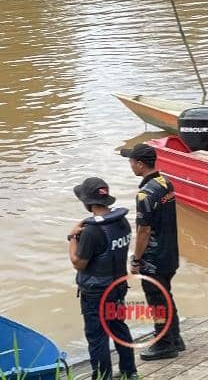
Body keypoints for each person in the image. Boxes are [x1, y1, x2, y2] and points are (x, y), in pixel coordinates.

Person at [68, 177, 138, 380]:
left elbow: (77, 263)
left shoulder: (91, 231)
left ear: (87, 202)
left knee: (97, 336)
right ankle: (129, 371)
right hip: (118, 286)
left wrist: (72, 237)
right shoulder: (122, 222)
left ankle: (102, 376)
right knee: (118, 328)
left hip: (96, 293)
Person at [120, 143, 184, 360]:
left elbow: (144, 231)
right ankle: (175, 338)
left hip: (153, 259)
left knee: (157, 301)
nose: (130, 165)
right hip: (170, 254)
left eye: (131, 162)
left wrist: (136, 260)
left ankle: (164, 343)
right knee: (166, 295)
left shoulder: (145, 194)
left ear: (140, 164)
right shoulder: (166, 183)